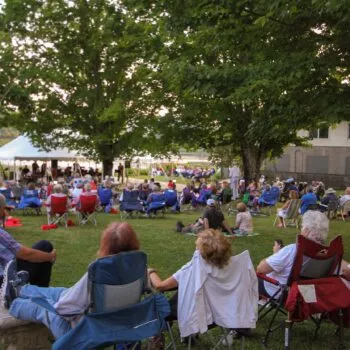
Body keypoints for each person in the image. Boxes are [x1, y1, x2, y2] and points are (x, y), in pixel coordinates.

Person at [8, 222, 140, 339]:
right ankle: (21, 289)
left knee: (41, 306)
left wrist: (53, 303)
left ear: (105, 247)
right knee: (59, 292)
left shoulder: (98, 274)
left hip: (79, 333)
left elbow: (64, 309)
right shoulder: (138, 271)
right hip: (113, 324)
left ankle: (12, 303)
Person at [148, 229, 258, 338]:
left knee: (161, 307)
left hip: (199, 316)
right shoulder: (237, 266)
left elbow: (159, 286)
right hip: (224, 313)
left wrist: (151, 272)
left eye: (197, 246)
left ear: (201, 253)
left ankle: (158, 335)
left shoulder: (193, 269)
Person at [257, 211, 350, 298]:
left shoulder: (292, 250)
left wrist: (276, 254)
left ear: (306, 230)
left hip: (284, 294)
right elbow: (348, 268)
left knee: (250, 278)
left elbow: (261, 269)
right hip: (308, 295)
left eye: (301, 227)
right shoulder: (329, 255)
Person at [0, 225, 56, 308]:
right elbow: (26, 254)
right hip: (4, 281)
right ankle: (40, 298)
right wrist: (50, 257)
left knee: (38, 254)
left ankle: (38, 296)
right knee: (44, 246)